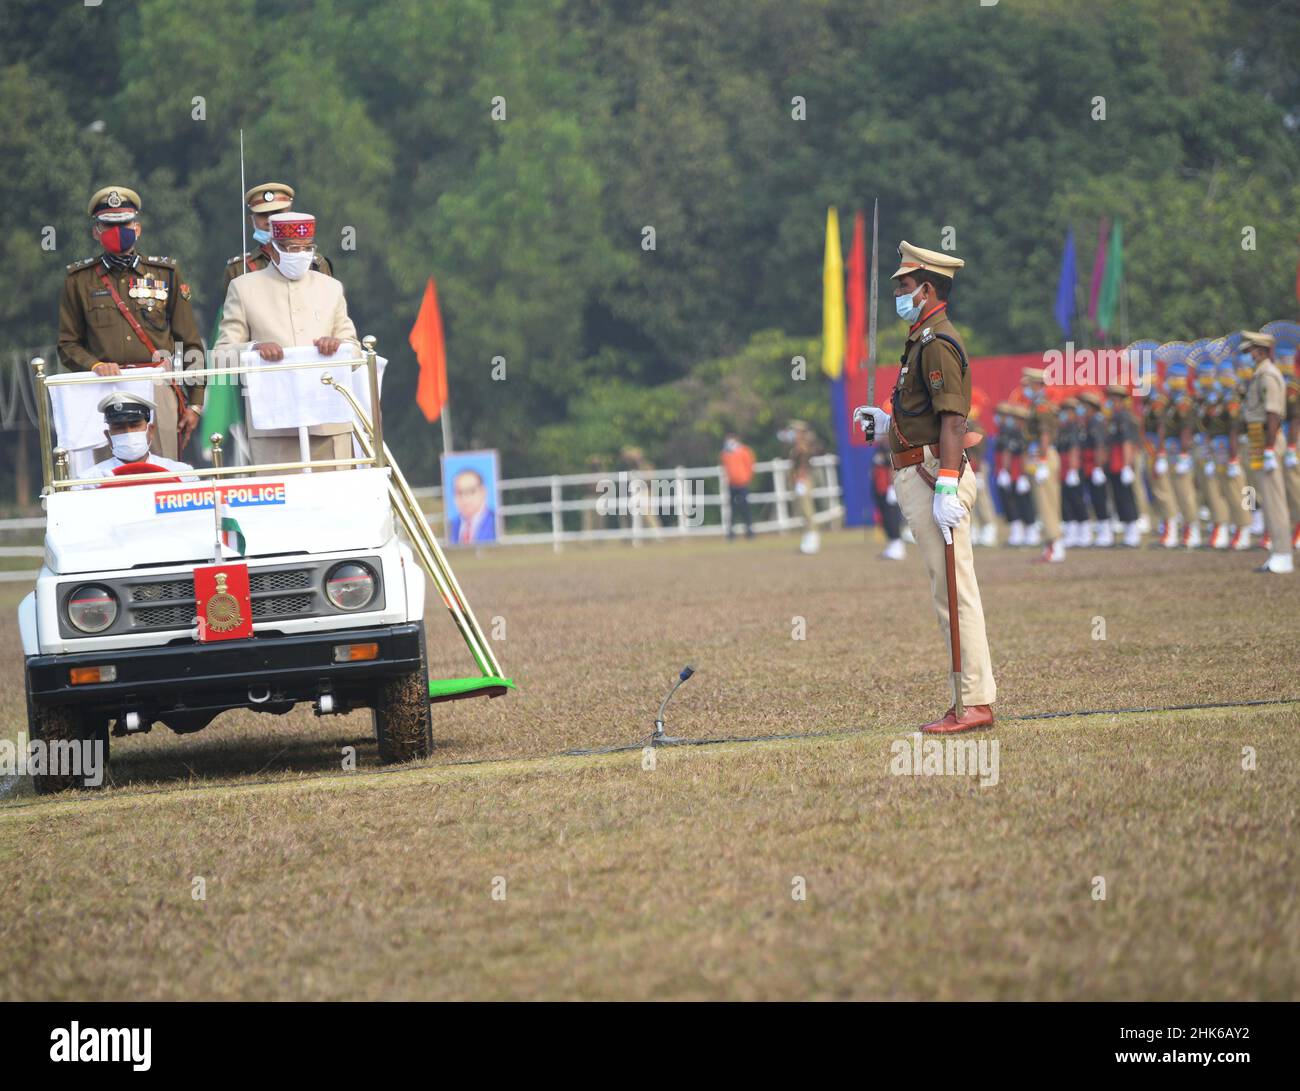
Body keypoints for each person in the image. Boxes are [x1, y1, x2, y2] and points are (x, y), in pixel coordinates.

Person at [854, 240, 995, 734]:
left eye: (905, 286)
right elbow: (920, 416)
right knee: (947, 591)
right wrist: (884, 425)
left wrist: (948, 487)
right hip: (923, 469)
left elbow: (954, 421)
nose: (898, 293)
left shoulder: (936, 342)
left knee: (955, 592)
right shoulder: (920, 340)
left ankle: (974, 703)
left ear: (928, 289)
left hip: (936, 473)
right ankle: (966, 700)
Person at [58, 185, 204, 461]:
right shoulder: (79, 280)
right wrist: (95, 365)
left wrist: (195, 403)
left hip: (157, 384)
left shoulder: (167, 273)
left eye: (124, 223)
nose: (118, 231)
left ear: (136, 228)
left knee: (164, 471)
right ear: (96, 232)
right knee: (109, 474)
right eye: (108, 225)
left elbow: (190, 343)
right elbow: (67, 344)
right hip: (105, 388)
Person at [213, 211, 359, 469]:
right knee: (279, 506)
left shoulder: (330, 287)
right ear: (273, 248)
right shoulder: (243, 287)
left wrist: (338, 348)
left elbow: (355, 352)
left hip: (329, 423)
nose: (301, 255)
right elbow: (221, 355)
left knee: (336, 502)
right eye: (292, 248)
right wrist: (253, 350)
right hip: (274, 427)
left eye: (307, 248)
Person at [1240, 330, 1293, 573]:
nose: (1249, 355)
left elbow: (1273, 413)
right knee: (1267, 498)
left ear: (1261, 351)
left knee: (1275, 500)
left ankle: (1283, 553)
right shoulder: (1260, 374)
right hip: (1258, 437)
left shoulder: (1268, 375)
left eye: (1252, 350)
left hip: (1267, 438)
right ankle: (1277, 552)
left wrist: (1270, 448)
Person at [222, 183, 334, 292]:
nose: (270, 221)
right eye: (263, 214)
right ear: (251, 221)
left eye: (277, 213)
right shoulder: (239, 268)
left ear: (289, 214)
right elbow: (229, 309)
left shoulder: (315, 264)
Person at [79, 392, 195, 486]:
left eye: (134, 425)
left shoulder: (181, 474)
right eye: (119, 427)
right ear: (108, 437)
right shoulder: (89, 481)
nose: (128, 432)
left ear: (150, 431)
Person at [1104, 385, 1143, 547]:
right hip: (1114, 462)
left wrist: (1127, 466)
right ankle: (1127, 532)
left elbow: (1128, 442)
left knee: (1126, 497)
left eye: (1114, 399)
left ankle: (1133, 532)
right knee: (1119, 497)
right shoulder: (1114, 417)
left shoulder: (1125, 417)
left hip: (1122, 461)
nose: (1111, 402)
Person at [784, 421, 822, 554]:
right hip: (799, 480)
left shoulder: (803, 447)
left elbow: (803, 466)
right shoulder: (796, 447)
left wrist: (800, 479)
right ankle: (807, 537)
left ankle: (813, 537)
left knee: (807, 510)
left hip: (803, 480)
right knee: (802, 510)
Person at [720, 432, 756, 540]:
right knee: (732, 509)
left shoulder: (744, 451)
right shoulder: (725, 454)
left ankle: (749, 529)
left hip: (742, 483)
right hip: (732, 484)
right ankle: (731, 532)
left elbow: (750, 465)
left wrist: (747, 478)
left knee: (745, 507)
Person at [447, 467, 497, 544]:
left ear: (483, 492)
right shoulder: (451, 526)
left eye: (471, 491)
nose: (465, 499)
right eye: (459, 493)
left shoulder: (496, 522)